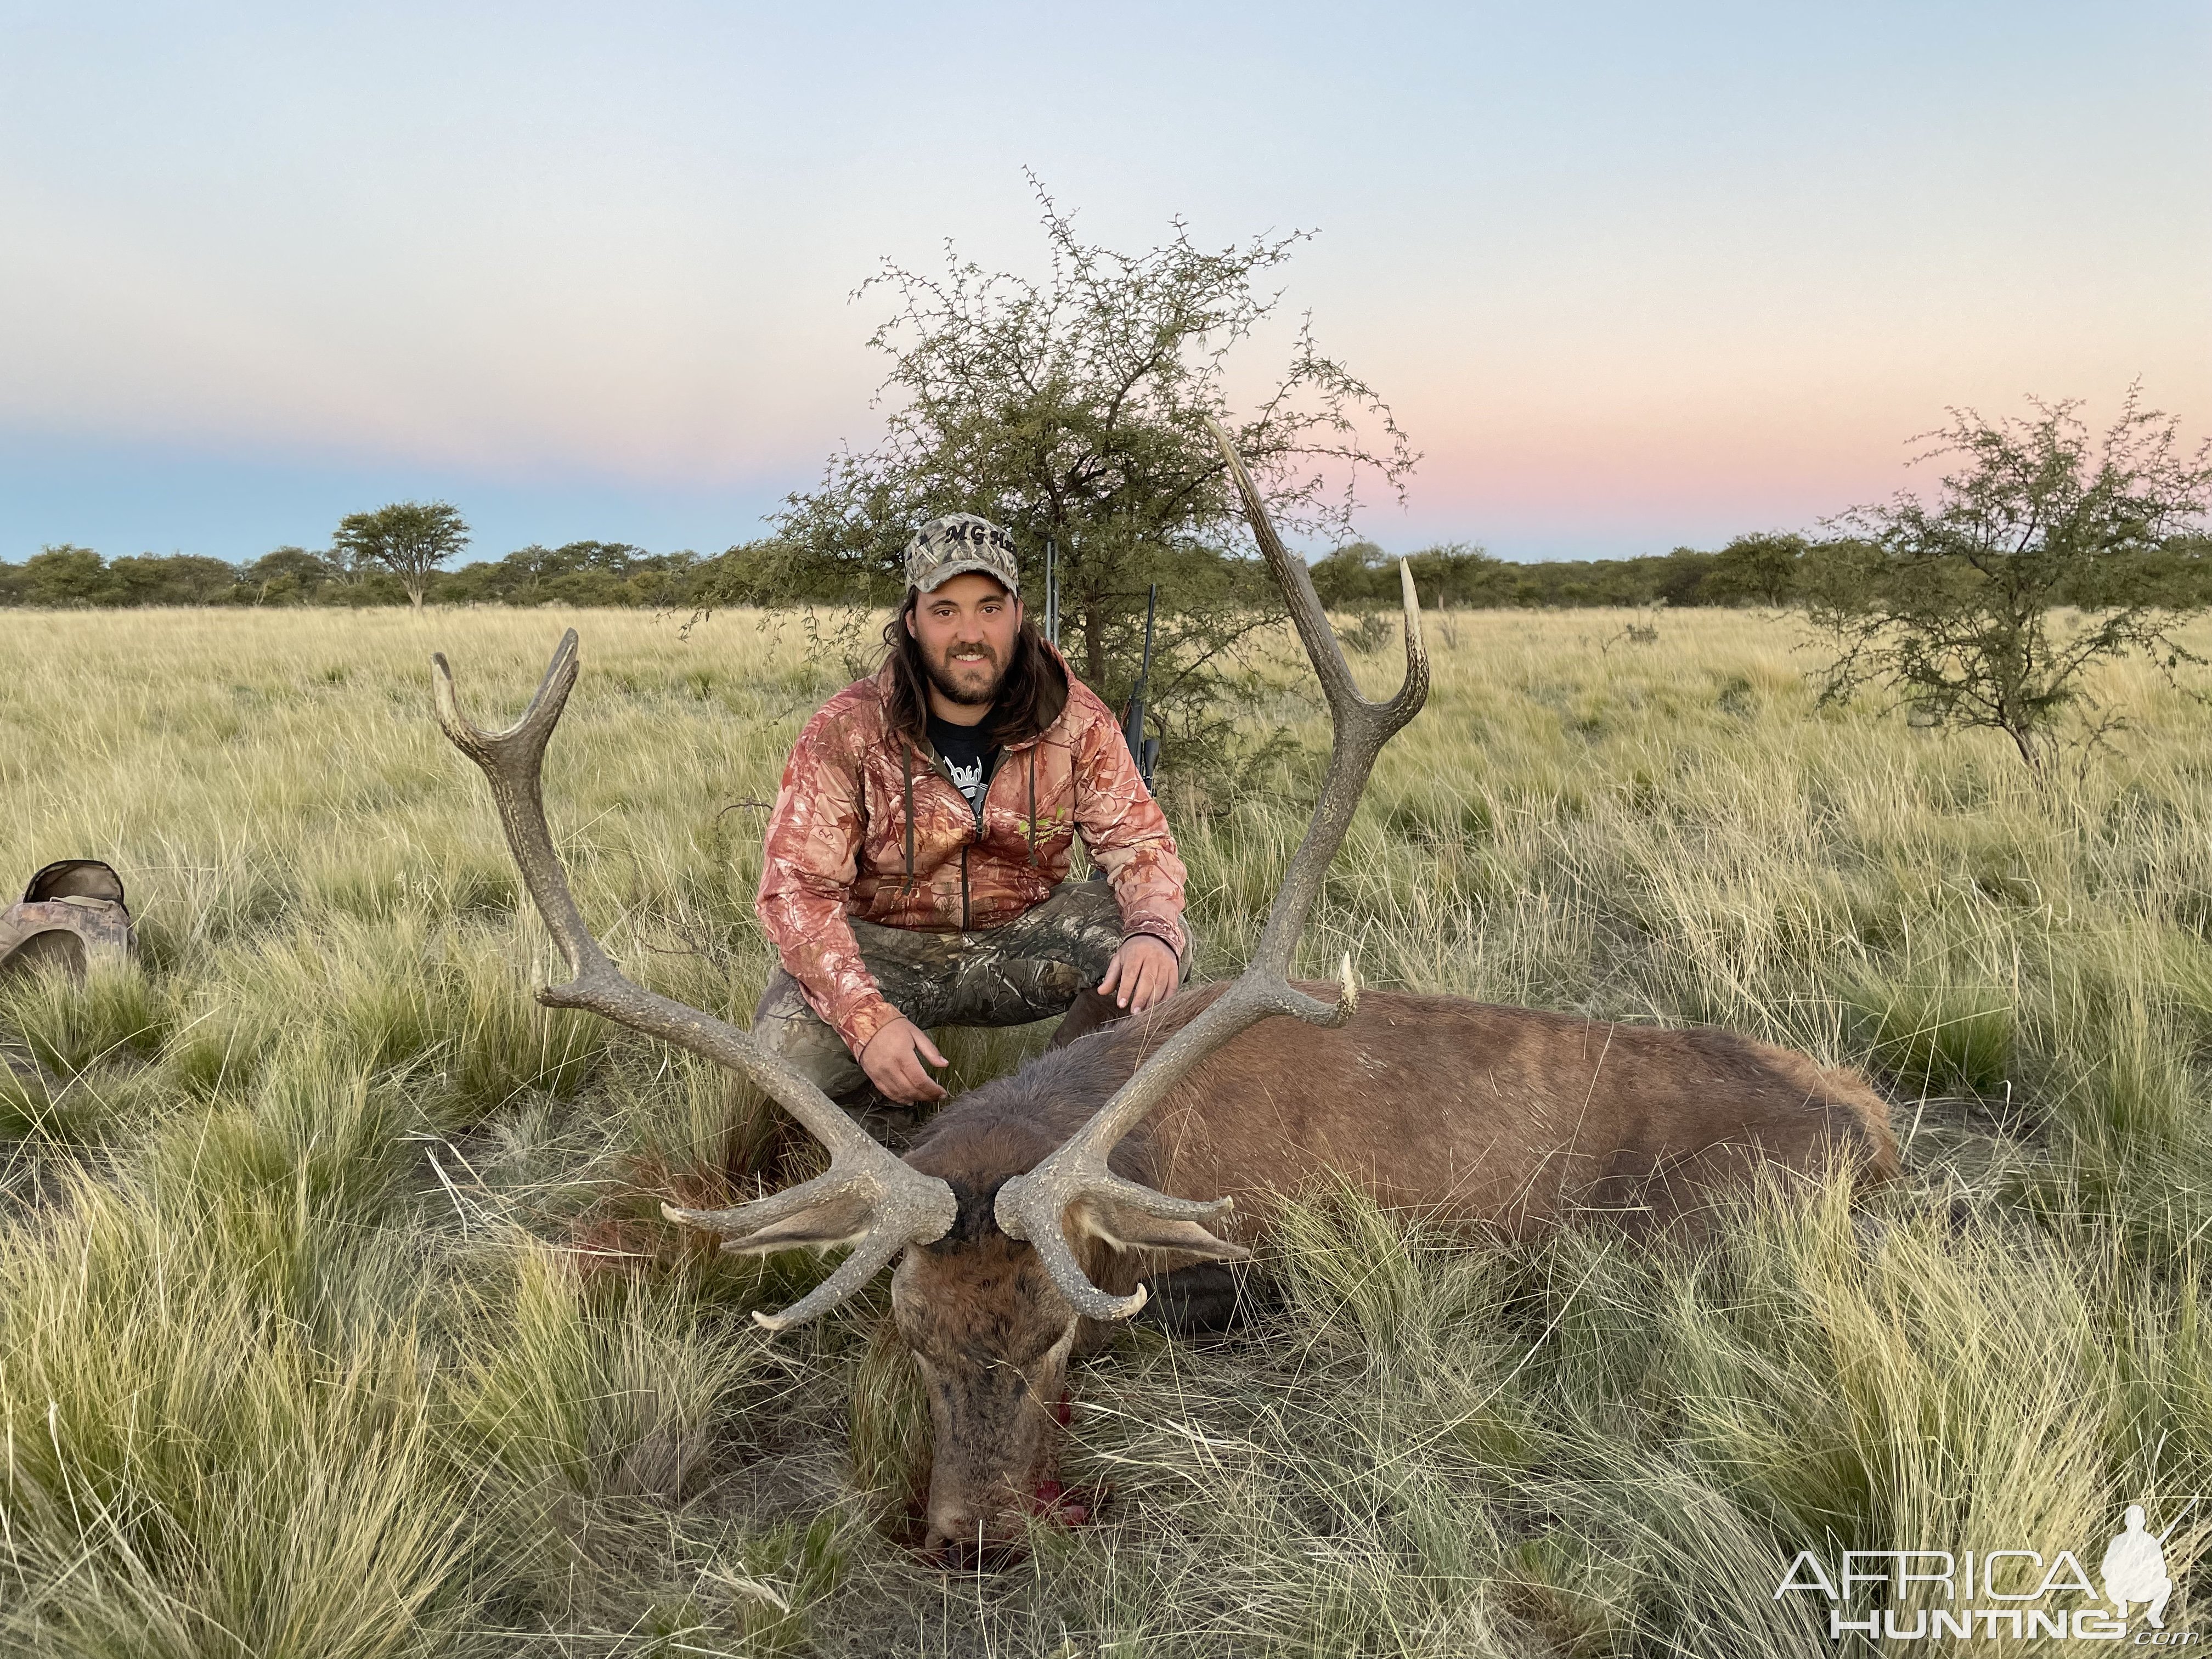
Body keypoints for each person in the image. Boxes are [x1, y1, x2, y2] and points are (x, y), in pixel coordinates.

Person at [752, 512, 1188, 1127]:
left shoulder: (1077, 718)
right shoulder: (846, 729)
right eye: (945, 610)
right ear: (912, 621)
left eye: (989, 608)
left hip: (1023, 933)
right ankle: (892, 1122)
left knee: (1157, 953)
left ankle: (1055, 1109)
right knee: (786, 1057)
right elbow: (794, 891)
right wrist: (866, 1021)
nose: (969, 633)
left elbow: (1139, 841)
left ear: (1017, 615)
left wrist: (1151, 930)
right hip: (887, 945)